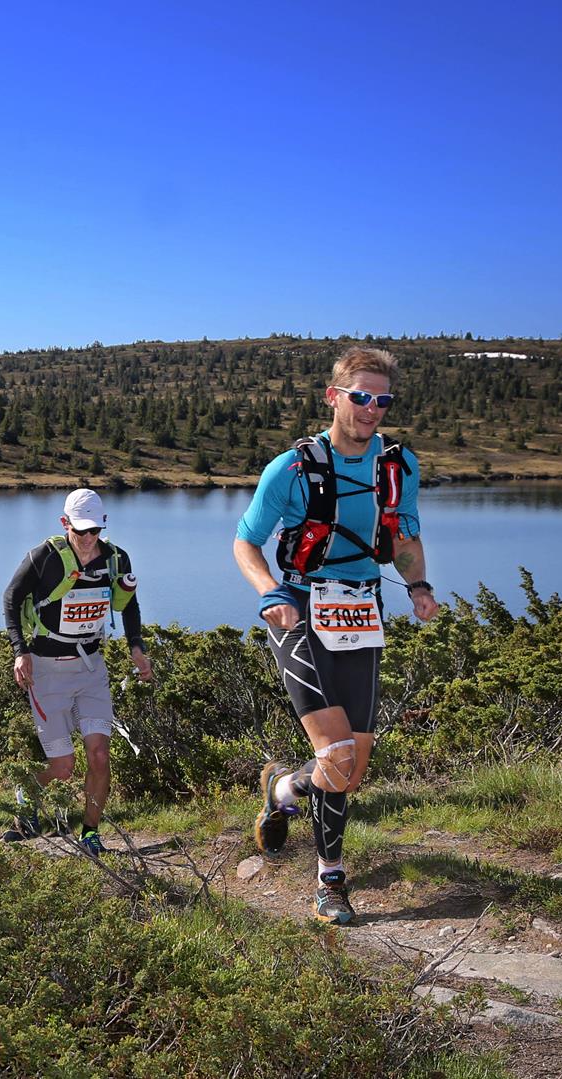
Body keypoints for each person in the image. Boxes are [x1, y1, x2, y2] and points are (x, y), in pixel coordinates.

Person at [233, 345, 440, 925]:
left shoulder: (399, 465)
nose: (372, 409)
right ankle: (330, 882)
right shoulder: (293, 467)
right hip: (298, 606)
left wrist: (418, 585)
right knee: (338, 751)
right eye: (361, 397)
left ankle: (281, 789)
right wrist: (269, 592)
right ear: (333, 397)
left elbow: (403, 539)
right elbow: (245, 541)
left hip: (361, 609)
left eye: (383, 399)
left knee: (352, 769)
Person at [0, 488, 154, 855]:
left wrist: (137, 646)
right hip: (47, 671)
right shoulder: (43, 558)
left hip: (91, 668)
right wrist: (20, 652)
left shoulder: (117, 559)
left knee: (100, 754)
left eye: (95, 531)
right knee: (64, 766)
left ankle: (90, 833)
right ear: (64, 523)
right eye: (80, 530)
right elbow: (10, 598)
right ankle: (28, 794)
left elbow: (129, 604)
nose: (88, 539)